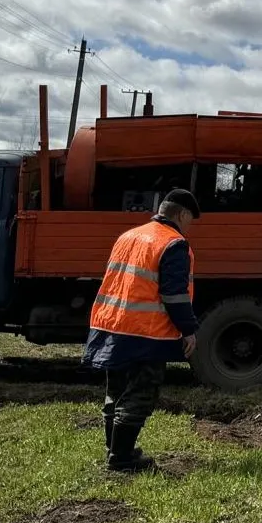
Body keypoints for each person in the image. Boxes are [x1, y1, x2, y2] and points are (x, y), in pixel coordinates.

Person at [83, 188, 201, 472]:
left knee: (117, 391)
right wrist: (188, 329)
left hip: (112, 324)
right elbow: (174, 294)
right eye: (190, 220)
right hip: (145, 332)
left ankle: (116, 450)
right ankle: (122, 459)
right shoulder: (173, 244)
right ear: (182, 214)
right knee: (140, 394)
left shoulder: (129, 235)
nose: (189, 227)